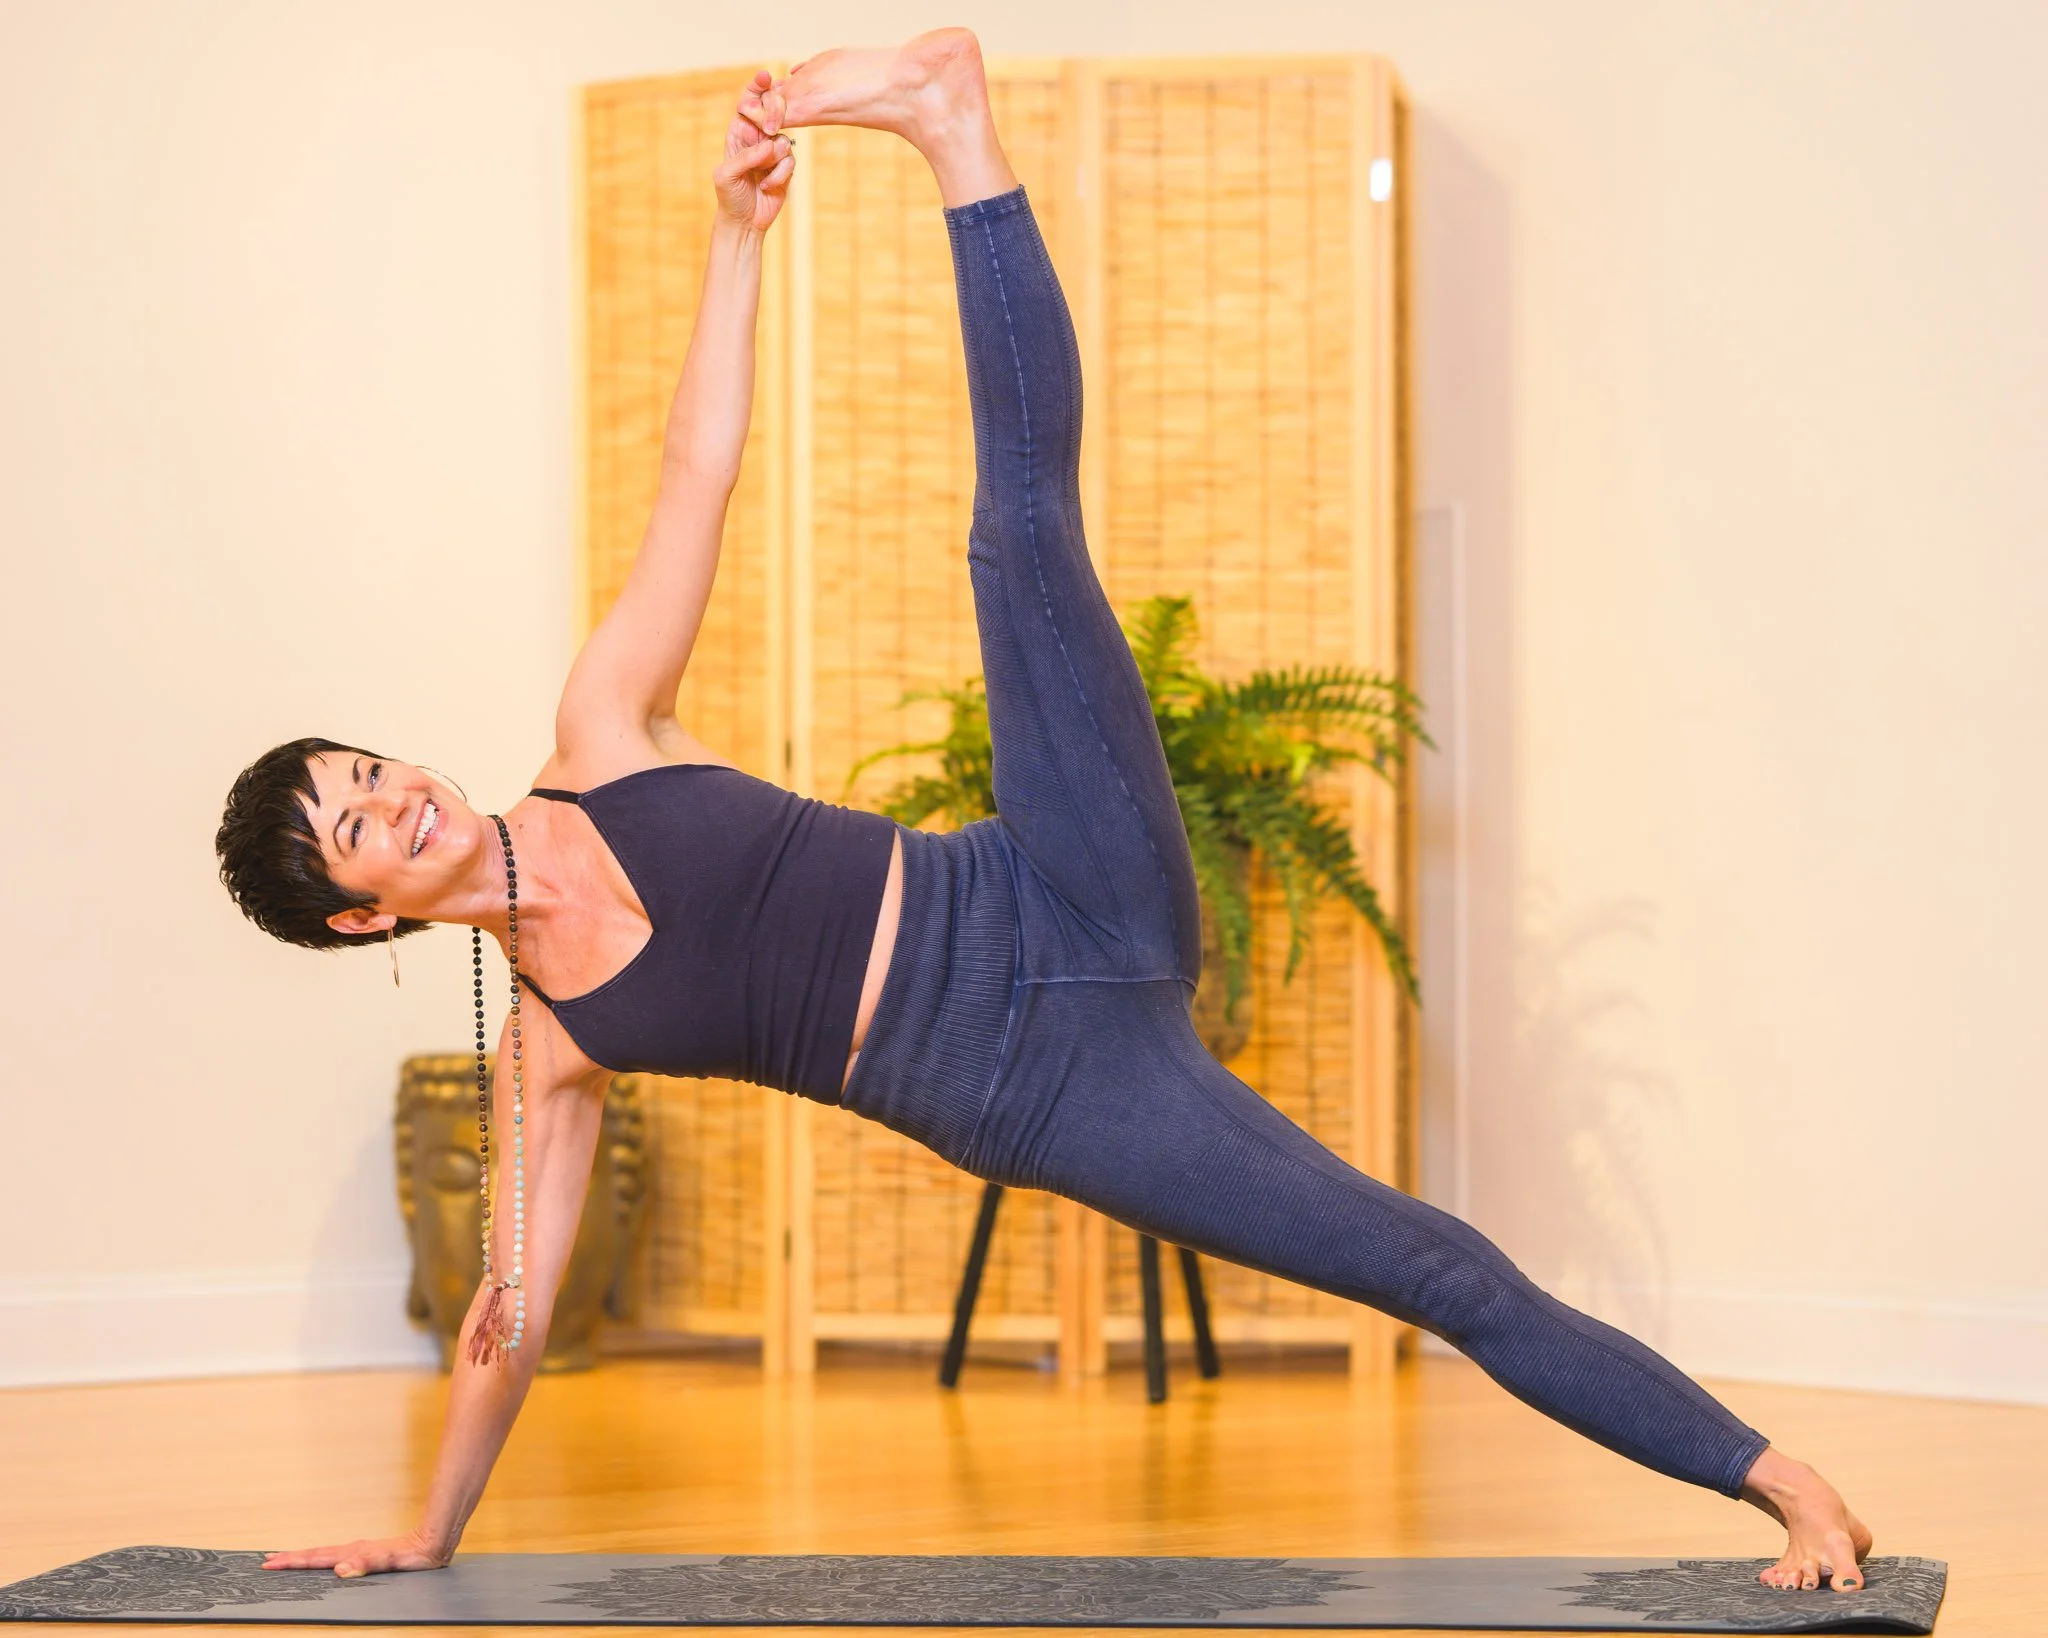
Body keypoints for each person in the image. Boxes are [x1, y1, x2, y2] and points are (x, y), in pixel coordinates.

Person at [224, 31, 1870, 1596]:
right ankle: (1779, 1475)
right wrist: (426, 1533)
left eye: (371, 768)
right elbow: (510, 1304)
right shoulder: (549, 1047)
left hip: (1061, 880)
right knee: (1424, 1267)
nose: (401, 795)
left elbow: (694, 471)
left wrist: (734, 237)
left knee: (1018, 538)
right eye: (360, 826)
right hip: (1064, 1091)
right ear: (363, 914)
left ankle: (954, 128)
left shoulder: (600, 733)